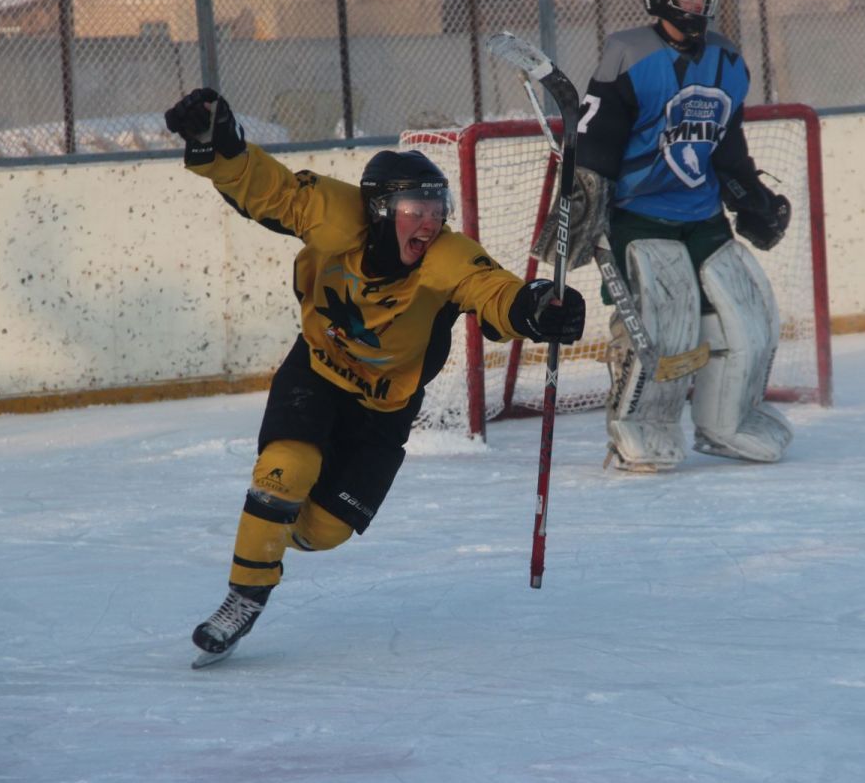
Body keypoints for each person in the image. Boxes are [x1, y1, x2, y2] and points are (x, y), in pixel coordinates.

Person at [164, 88, 585, 666]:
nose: (430, 222)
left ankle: (269, 528)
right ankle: (244, 597)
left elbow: (493, 291)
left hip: (386, 406)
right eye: (417, 209)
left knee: (324, 531)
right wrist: (222, 147)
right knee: (286, 468)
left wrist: (535, 305)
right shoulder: (336, 216)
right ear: (382, 210)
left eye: (437, 209)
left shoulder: (446, 257)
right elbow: (271, 191)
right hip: (317, 370)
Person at [534, 0, 794, 472]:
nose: (696, 4)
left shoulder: (727, 61)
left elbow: (726, 146)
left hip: (703, 215)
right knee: (665, 327)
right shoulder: (630, 54)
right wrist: (585, 204)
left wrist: (751, 201)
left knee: (748, 319)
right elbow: (597, 142)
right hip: (639, 214)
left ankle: (729, 422)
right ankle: (642, 426)